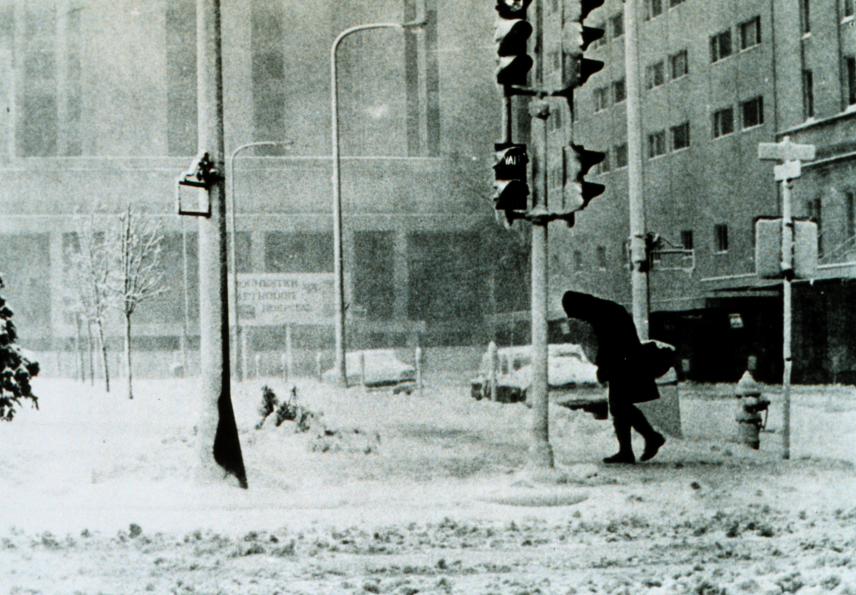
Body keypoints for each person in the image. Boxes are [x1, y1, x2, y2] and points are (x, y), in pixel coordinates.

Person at [562, 290, 666, 464]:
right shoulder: (606, 308)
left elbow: (609, 343)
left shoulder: (601, 313)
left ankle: (646, 440)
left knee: (620, 406)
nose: (580, 319)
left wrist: (603, 367)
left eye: (576, 314)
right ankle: (634, 446)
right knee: (621, 406)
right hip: (626, 361)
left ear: (579, 306)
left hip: (623, 364)